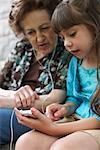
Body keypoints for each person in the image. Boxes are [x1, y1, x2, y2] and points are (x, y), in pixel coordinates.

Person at [15, 0, 100, 150]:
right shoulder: (76, 63)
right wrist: (65, 108)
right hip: (77, 119)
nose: (66, 43)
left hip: (95, 125)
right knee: (26, 142)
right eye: (62, 37)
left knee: (62, 148)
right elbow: (75, 98)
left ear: (95, 26)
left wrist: (54, 129)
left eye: (72, 34)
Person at [0, 0, 72, 145]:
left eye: (45, 28)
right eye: (31, 32)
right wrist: (15, 94)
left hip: (36, 115)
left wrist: (8, 101)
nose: (39, 38)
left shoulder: (66, 50)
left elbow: (54, 99)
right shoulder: (22, 48)